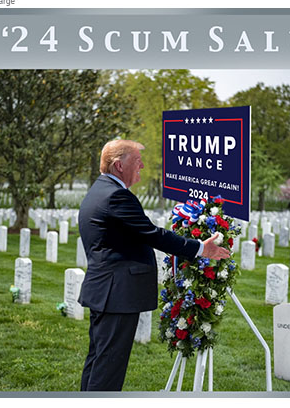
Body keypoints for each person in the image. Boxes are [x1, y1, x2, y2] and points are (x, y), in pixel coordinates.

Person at [78, 139, 230, 391]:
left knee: (98, 360)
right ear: (118, 165)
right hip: (117, 293)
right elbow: (152, 234)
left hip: (104, 290)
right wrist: (202, 248)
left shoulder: (98, 190)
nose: (142, 166)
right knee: (109, 368)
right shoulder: (116, 196)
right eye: (137, 162)